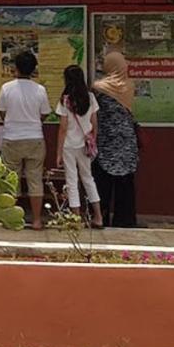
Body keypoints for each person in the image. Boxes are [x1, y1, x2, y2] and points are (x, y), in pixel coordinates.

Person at [0, 49, 52, 229]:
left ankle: (13, 219)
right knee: (35, 179)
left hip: (12, 137)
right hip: (35, 137)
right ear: (33, 69)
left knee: (12, 179)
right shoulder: (40, 90)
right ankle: (36, 220)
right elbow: (44, 114)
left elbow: (1, 111)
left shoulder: (6, 88)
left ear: (15, 68)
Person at [92, 50, 139, 228]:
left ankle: (101, 216)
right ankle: (125, 220)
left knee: (102, 182)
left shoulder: (98, 88)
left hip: (105, 139)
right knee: (125, 184)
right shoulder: (129, 85)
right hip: (127, 140)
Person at [55, 64, 103, 228]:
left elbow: (62, 128)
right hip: (84, 144)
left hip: (69, 145)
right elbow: (94, 123)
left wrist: (58, 152)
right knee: (88, 179)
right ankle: (98, 216)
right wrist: (92, 140)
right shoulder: (90, 97)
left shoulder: (65, 100)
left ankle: (76, 218)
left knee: (72, 180)